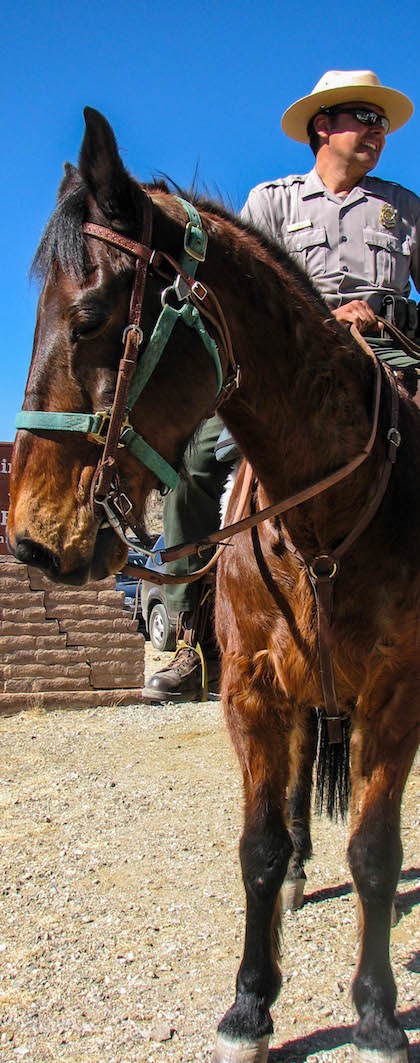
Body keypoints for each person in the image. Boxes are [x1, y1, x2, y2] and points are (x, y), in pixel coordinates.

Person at [142, 69, 420, 704]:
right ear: (323, 127)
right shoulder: (273, 201)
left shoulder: (405, 209)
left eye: (381, 122)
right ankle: (194, 638)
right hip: (283, 367)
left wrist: (402, 313)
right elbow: (236, 290)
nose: (377, 131)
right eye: (363, 118)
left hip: (387, 362)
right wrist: (323, 318)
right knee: (194, 464)